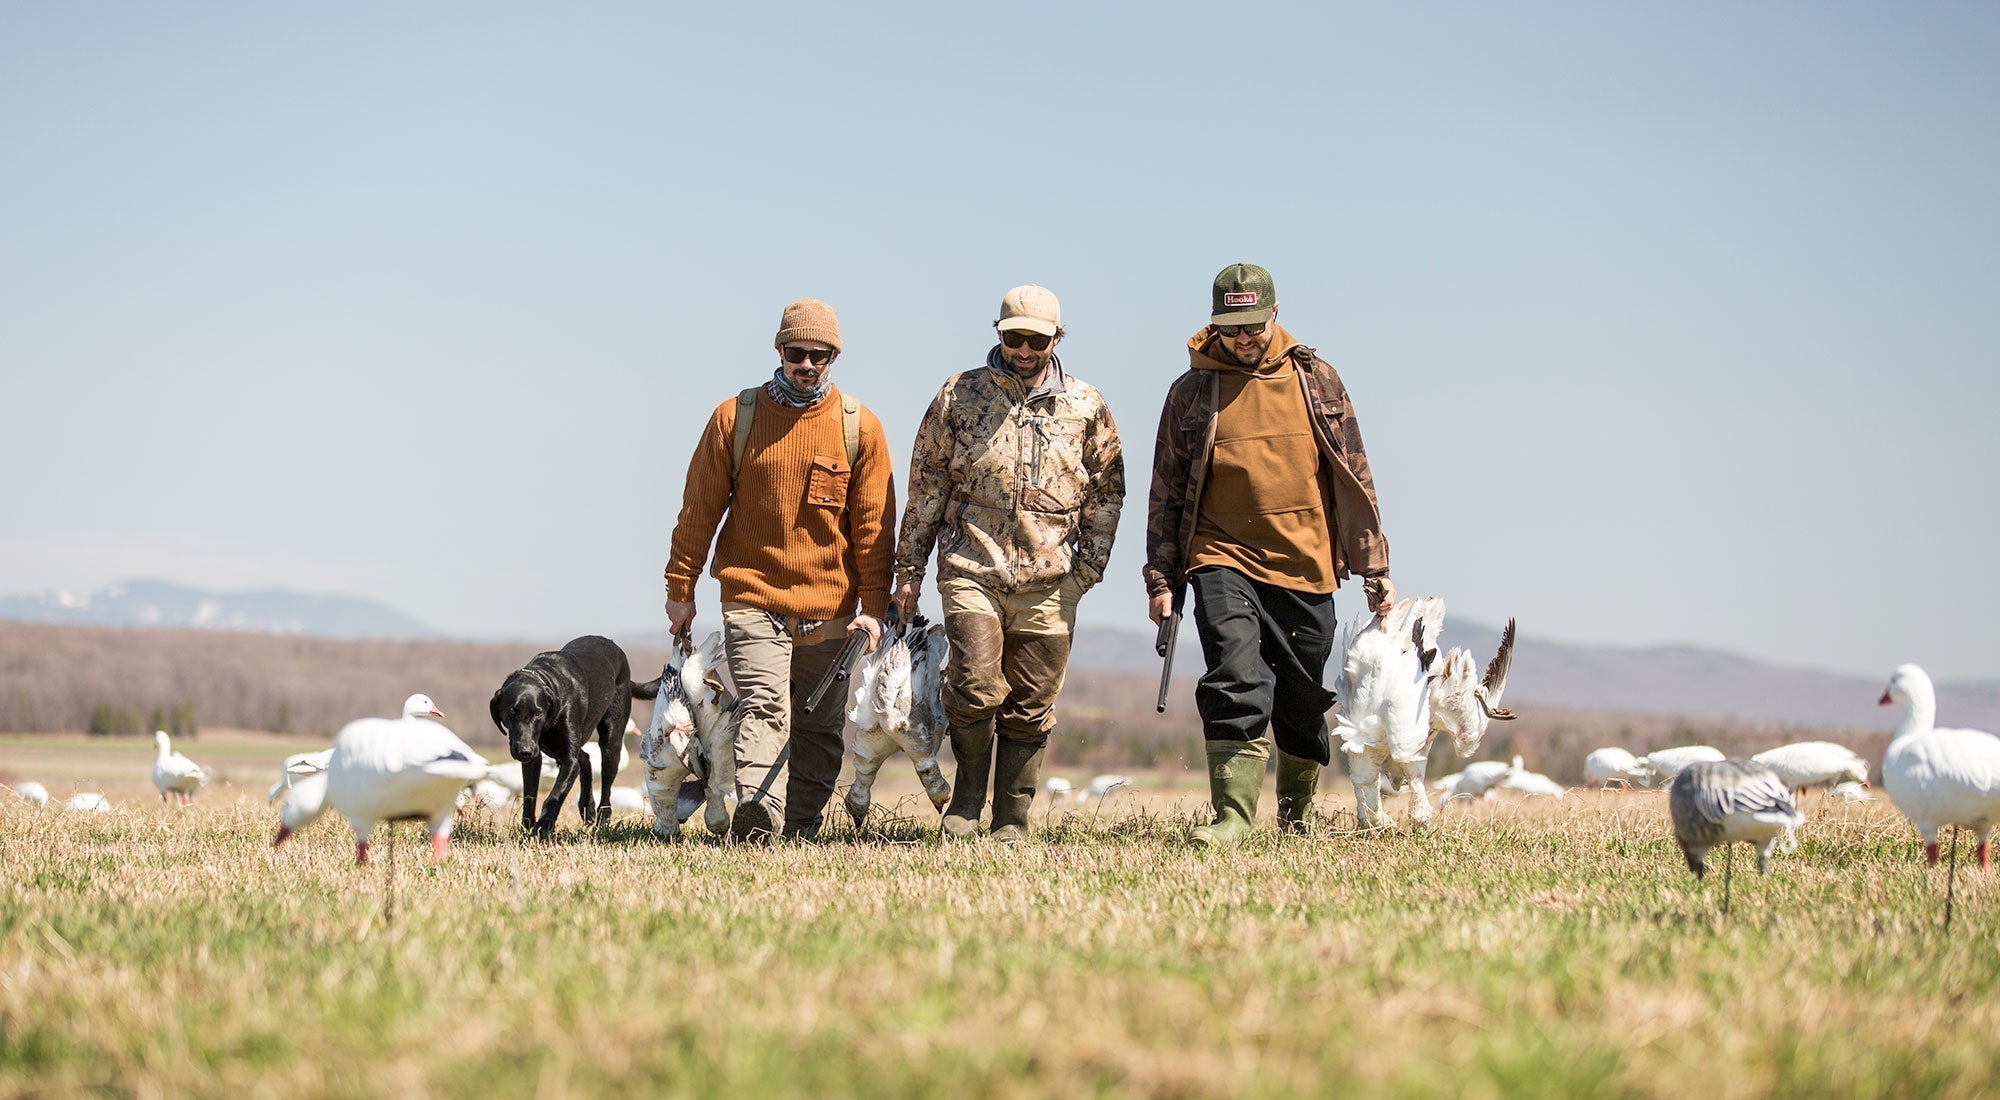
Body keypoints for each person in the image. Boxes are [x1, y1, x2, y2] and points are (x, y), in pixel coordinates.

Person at [1144, 263, 1395, 848]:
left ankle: (1296, 811)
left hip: (1306, 561)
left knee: (1304, 695)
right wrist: (1161, 577)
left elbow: (1355, 474)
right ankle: (1232, 816)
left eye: (1253, 325)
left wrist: (1373, 567)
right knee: (1235, 673)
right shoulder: (1191, 392)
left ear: (1274, 314)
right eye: (1231, 328)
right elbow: (1166, 491)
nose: (1243, 338)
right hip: (1219, 554)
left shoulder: (1318, 380)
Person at [893, 285, 1125, 844]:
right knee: (974, 686)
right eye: (1014, 338)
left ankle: (1012, 818)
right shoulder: (959, 396)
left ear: (1057, 339)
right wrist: (909, 570)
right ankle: (968, 799)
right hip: (972, 567)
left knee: (1030, 706)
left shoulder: (1086, 405)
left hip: (1052, 581)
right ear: (999, 335)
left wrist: (1087, 570)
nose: (1024, 350)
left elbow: (1108, 490)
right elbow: (926, 484)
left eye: (1036, 340)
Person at [663, 298, 894, 841]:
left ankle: (802, 828)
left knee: (817, 726)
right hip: (751, 592)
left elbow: (873, 528)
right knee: (767, 707)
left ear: (834, 356)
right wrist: (681, 585)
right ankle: (758, 816)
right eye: (796, 352)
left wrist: (875, 607)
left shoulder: (860, 428)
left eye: (818, 354)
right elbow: (699, 510)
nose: (806, 364)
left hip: (832, 605)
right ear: (779, 350)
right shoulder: (734, 418)